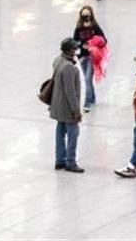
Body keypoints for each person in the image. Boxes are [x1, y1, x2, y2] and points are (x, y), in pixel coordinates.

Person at [50, 38, 85, 172]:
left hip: (57, 104)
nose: (77, 50)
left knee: (60, 132)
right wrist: (76, 110)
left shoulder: (58, 60)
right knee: (73, 134)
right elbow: (70, 91)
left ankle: (59, 160)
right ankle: (70, 161)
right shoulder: (68, 67)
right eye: (75, 48)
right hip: (67, 107)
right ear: (70, 50)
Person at [73, 6, 106, 112]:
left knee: (87, 79)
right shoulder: (78, 28)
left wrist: (93, 44)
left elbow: (104, 40)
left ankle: (87, 103)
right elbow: (74, 41)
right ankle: (92, 98)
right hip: (82, 57)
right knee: (88, 80)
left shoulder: (95, 27)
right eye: (83, 15)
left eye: (88, 15)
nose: (86, 17)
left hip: (92, 57)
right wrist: (80, 47)